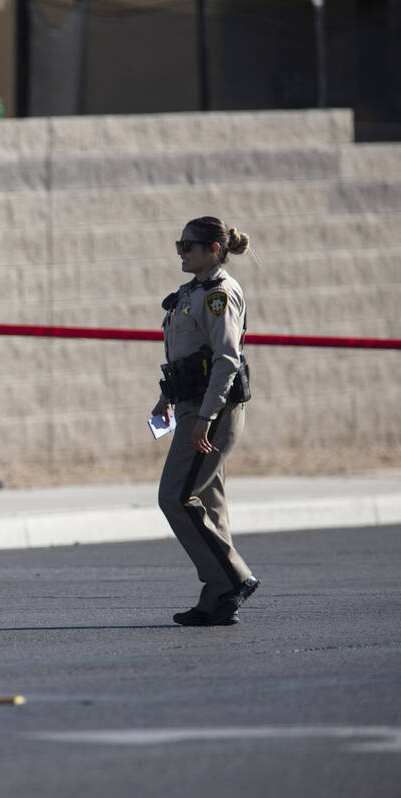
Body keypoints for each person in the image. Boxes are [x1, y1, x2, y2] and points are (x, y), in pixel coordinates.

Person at [152, 216, 260, 626]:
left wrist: (206, 416)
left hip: (211, 410)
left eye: (188, 246)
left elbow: (226, 358)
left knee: (176, 496)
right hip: (191, 405)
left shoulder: (219, 293)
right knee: (209, 502)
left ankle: (233, 578)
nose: (182, 252)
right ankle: (219, 598)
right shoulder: (189, 293)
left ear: (213, 249)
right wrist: (166, 399)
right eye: (178, 245)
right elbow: (187, 358)